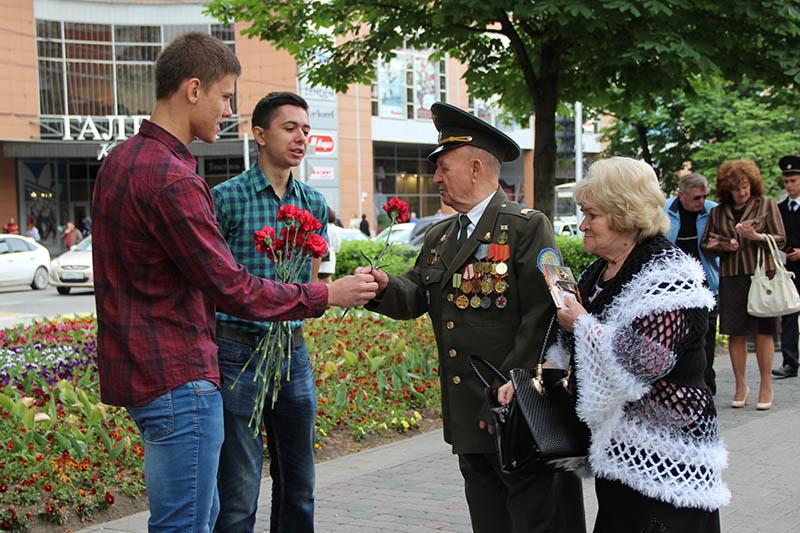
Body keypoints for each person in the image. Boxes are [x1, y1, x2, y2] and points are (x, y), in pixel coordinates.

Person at [91, 34, 377, 533]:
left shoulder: (121, 160)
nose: (228, 111)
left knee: (227, 506)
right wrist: (325, 295)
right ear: (193, 90)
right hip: (182, 374)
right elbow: (231, 286)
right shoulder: (178, 180)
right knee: (198, 519)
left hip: (152, 370)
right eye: (225, 96)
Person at [357, 102, 584, 533]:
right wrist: (383, 287)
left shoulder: (526, 227)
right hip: (468, 414)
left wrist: (508, 386)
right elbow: (417, 294)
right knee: (489, 520)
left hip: (517, 410)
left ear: (476, 167)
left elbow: (544, 314)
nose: (436, 178)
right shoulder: (441, 235)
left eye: (443, 168)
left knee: (537, 519)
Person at [501, 157, 730, 532]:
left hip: (668, 465)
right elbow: (565, 347)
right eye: (583, 213)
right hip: (616, 458)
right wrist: (531, 382)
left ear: (626, 215)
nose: (583, 225)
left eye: (593, 215)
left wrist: (582, 324)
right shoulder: (599, 272)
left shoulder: (672, 276)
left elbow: (643, 362)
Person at [211, 91, 328, 533]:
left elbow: (312, 281)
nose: (301, 138)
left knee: (300, 484)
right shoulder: (226, 199)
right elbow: (212, 281)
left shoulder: (313, 203)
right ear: (259, 135)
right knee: (239, 491)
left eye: (306, 130)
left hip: (292, 353)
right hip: (236, 352)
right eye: (289, 128)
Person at [701, 159, 785, 410]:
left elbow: (781, 239)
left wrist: (756, 236)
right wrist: (725, 245)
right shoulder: (717, 212)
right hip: (731, 276)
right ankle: (740, 385)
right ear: (727, 189)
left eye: (746, 186)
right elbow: (706, 243)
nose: (742, 192)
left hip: (761, 275)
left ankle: (766, 385)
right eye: (737, 188)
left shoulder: (766, 204)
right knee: (734, 332)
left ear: (753, 184)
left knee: (763, 332)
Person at [665, 172, 720, 394]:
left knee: (707, 336)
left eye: (705, 196)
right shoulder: (665, 210)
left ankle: (707, 384)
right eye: (697, 198)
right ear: (682, 195)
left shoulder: (713, 211)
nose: (702, 202)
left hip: (705, 284)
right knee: (677, 335)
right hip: (674, 286)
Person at [774, 154, 800, 379]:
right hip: (789, 268)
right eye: (786, 181)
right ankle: (790, 361)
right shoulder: (780, 208)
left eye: (793, 180)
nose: (789, 185)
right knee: (789, 314)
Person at [318, 207, 342, 284]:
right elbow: (337, 246)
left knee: (316, 283)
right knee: (328, 282)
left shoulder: (319, 226)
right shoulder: (334, 228)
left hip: (317, 260)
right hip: (329, 260)